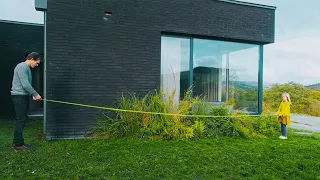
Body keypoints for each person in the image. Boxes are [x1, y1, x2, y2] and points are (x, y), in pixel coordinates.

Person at [11, 52, 42, 150]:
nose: (36, 65)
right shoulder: (22, 66)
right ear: (31, 59)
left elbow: (25, 85)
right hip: (19, 97)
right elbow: (25, 84)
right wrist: (35, 94)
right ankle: (18, 144)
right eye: (36, 63)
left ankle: (19, 142)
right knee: (21, 120)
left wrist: (31, 94)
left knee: (23, 119)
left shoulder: (26, 68)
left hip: (22, 96)